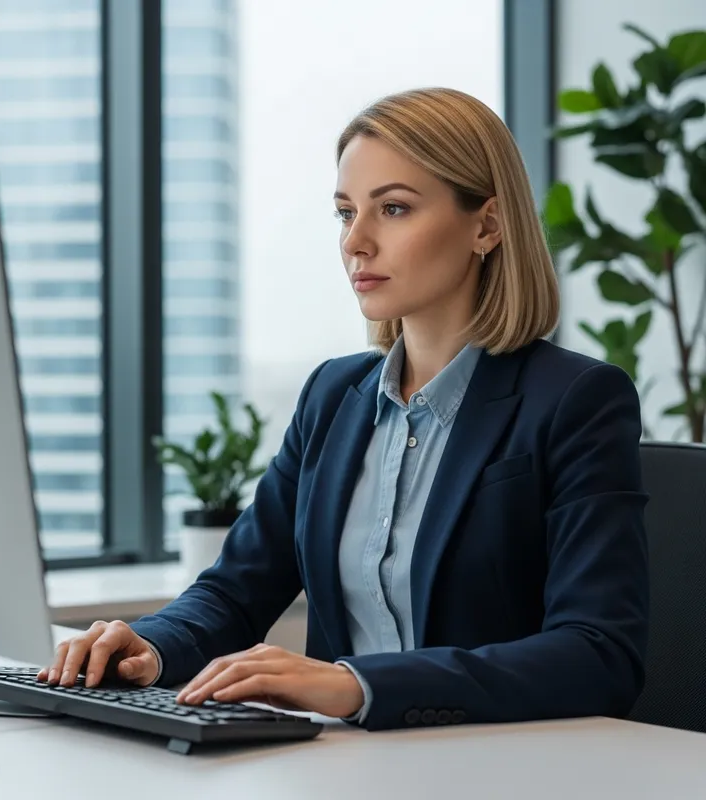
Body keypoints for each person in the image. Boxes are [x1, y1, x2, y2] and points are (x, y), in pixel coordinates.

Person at [38, 87, 649, 732]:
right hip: (339, 768)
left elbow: (598, 653)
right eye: (344, 213)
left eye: (392, 208)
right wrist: (150, 646)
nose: (356, 242)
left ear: (486, 225)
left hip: (494, 766)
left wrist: (356, 685)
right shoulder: (333, 397)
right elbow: (236, 589)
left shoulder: (577, 401)